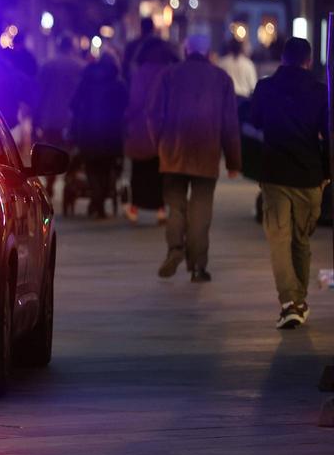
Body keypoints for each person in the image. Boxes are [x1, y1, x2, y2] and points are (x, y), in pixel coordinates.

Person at [248, 37, 330, 329]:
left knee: (278, 240)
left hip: (275, 175)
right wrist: (327, 174)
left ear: (283, 58)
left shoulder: (266, 87)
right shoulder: (322, 92)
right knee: (300, 240)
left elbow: (255, 121)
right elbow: (328, 134)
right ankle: (298, 301)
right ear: (308, 60)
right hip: (309, 178)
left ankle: (290, 302)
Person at [148, 33, 241, 282]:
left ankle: (175, 249)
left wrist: (159, 145)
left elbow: (154, 115)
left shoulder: (168, 75)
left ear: (186, 50)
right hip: (206, 153)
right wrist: (233, 162)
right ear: (208, 51)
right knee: (201, 208)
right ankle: (198, 267)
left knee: (176, 205)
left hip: (173, 153)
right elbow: (230, 124)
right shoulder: (222, 79)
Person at [123, 37, 178, 224]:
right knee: (161, 170)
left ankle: (135, 207)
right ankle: (161, 208)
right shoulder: (170, 72)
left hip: (141, 127)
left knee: (139, 169)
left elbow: (135, 101)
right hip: (165, 127)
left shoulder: (140, 73)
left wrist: (128, 117)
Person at [69, 52, 128, 218]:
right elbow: (126, 107)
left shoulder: (85, 83)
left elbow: (74, 105)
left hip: (87, 130)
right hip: (111, 132)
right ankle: (99, 201)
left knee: (92, 167)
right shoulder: (118, 84)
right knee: (107, 167)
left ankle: (97, 200)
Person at [122, 17, 156, 82]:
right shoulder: (158, 45)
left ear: (141, 28)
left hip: (136, 82)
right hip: (154, 83)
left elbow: (124, 68)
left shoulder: (132, 46)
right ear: (153, 28)